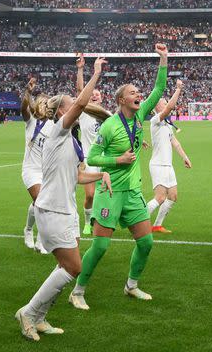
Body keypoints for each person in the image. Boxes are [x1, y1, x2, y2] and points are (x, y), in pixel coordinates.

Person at [15, 57, 112, 341]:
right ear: (61, 113)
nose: (76, 108)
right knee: (74, 268)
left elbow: (76, 177)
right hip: (53, 210)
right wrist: (94, 73)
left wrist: (99, 176)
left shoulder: (71, 140)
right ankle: (29, 312)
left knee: (66, 266)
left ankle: (40, 317)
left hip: (65, 209)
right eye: (70, 105)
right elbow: (82, 104)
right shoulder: (57, 131)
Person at [69, 44, 169, 309]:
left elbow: (159, 90)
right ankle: (77, 291)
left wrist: (163, 58)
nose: (139, 95)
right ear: (121, 100)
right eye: (133, 92)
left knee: (146, 243)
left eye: (139, 92)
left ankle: (131, 286)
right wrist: (118, 160)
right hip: (110, 193)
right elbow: (92, 159)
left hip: (132, 192)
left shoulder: (140, 116)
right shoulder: (110, 125)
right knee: (100, 247)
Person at [76, 53, 112, 236]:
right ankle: (87, 221)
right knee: (89, 195)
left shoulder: (107, 114)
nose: (95, 95)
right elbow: (81, 90)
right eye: (93, 94)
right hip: (89, 158)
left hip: (105, 159)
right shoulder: (84, 112)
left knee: (104, 194)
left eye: (98, 94)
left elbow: (121, 129)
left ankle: (100, 219)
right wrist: (81, 69)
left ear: (101, 98)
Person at [147, 79, 189, 233]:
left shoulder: (167, 124)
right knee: (160, 198)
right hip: (158, 165)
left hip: (168, 165)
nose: (165, 104)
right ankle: (139, 223)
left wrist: (185, 157)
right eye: (163, 103)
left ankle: (157, 225)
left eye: (166, 102)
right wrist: (178, 89)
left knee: (173, 196)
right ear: (156, 108)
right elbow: (171, 107)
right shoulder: (155, 121)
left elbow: (175, 143)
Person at [21, 77, 52, 252]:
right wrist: (28, 91)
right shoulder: (31, 121)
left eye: (48, 104)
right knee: (41, 202)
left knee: (40, 203)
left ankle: (33, 232)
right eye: (43, 103)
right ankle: (35, 235)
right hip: (31, 170)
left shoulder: (54, 125)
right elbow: (23, 108)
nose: (45, 106)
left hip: (46, 171)